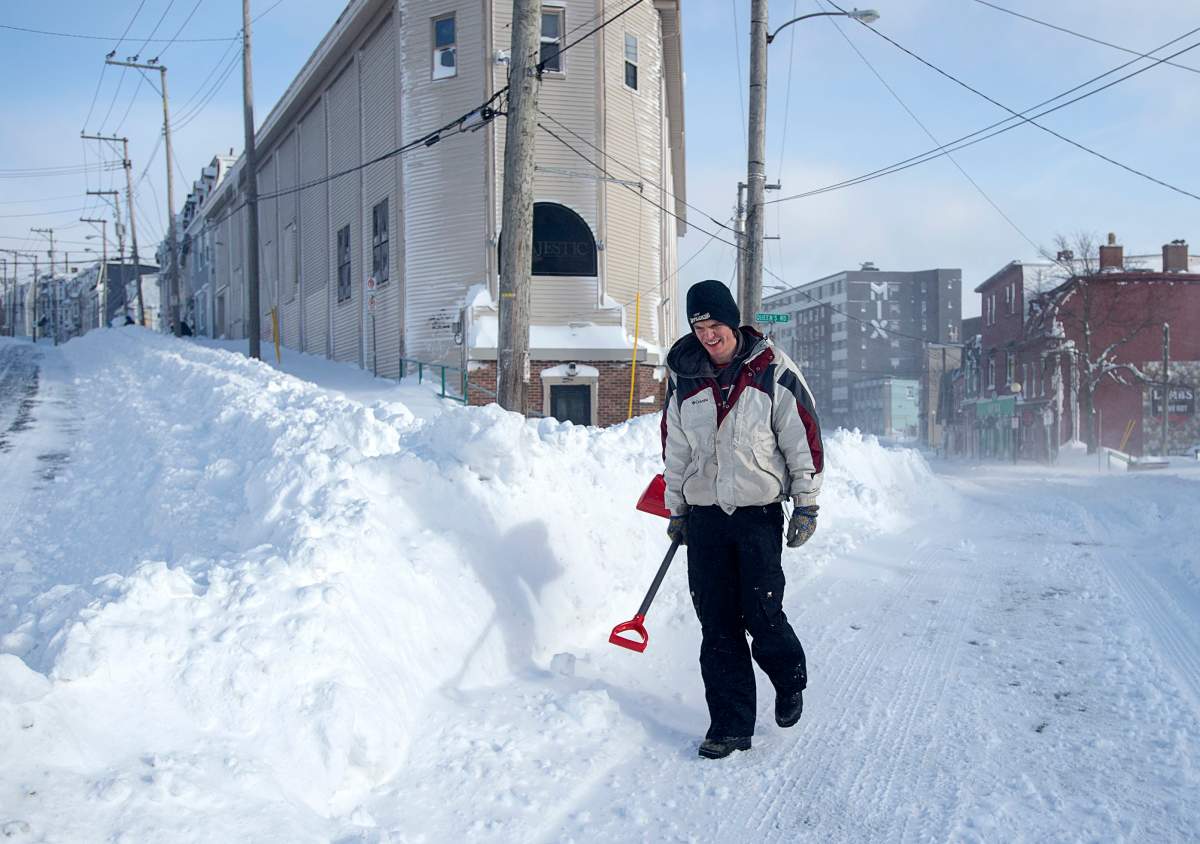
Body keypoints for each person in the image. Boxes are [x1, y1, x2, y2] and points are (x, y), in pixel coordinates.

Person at [661, 279, 824, 759]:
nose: (709, 335)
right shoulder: (685, 376)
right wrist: (677, 511)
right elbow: (676, 449)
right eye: (699, 326)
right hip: (707, 517)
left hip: (757, 514)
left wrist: (807, 502)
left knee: (762, 612)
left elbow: (803, 438)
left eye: (715, 324)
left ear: (732, 322)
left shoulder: (771, 370)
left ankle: (789, 680)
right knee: (717, 623)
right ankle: (730, 726)